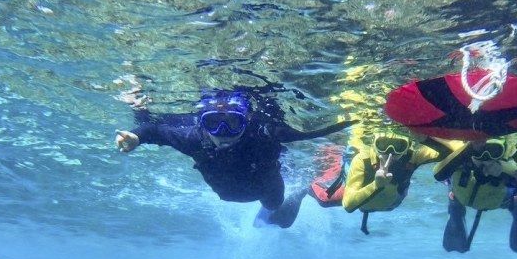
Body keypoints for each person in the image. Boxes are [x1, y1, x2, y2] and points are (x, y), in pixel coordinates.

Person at [115, 90, 353, 227]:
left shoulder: (262, 136)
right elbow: (156, 130)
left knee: (277, 212)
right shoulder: (195, 139)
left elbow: (310, 133)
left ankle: (303, 192)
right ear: (202, 124)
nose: (223, 133)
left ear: (247, 120)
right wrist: (137, 136)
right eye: (213, 123)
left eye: (232, 123)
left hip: (266, 192)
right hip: (227, 193)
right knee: (275, 215)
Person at [433, 134, 517, 253]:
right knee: (454, 198)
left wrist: (504, 171)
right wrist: (467, 153)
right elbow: (439, 173)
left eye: (494, 151)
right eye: (482, 149)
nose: (486, 156)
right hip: (466, 195)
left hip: (495, 198)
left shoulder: (510, 159)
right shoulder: (462, 150)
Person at [341, 132, 443, 234]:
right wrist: (376, 185)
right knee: (328, 199)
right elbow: (348, 204)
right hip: (367, 204)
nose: (390, 153)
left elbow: (446, 152)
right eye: (383, 144)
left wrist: (426, 140)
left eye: (399, 146)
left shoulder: (413, 156)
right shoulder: (362, 159)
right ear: (373, 143)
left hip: (391, 204)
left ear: (407, 146)